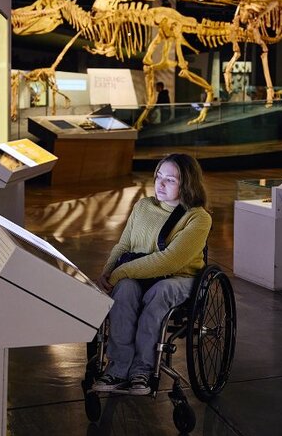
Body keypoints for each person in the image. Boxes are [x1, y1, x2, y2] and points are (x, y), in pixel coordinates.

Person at [93, 153, 211, 395]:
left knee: (160, 290)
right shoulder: (143, 206)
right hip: (140, 276)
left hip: (179, 278)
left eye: (170, 179)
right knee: (124, 289)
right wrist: (107, 273)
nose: (160, 184)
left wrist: (120, 272)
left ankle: (142, 370)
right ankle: (118, 366)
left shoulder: (198, 218)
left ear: (187, 183)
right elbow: (124, 246)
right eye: (158, 176)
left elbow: (168, 262)